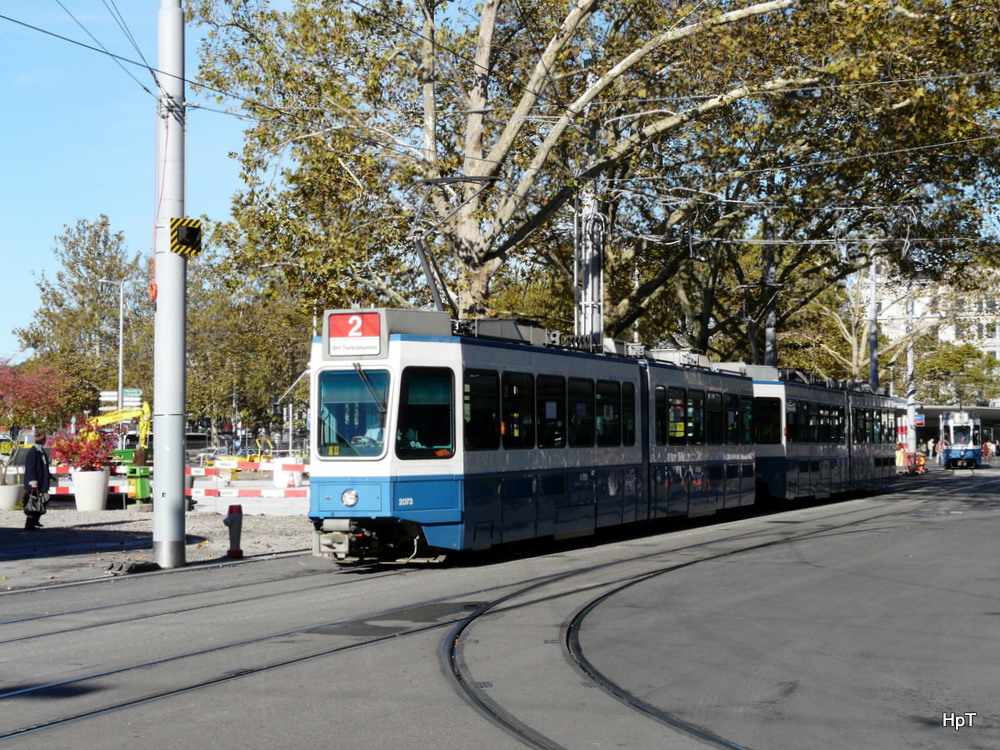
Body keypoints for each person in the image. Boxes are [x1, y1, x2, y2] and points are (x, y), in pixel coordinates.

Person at [23, 431, 51, 530]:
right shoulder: (33, 451)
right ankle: (30, 523)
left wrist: (49, 475)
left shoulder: (40, 451)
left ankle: (35, 520)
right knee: (33, 502)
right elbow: (30, 467)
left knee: (42, 500)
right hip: (34, 482)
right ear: (43, 440)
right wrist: (33, 481)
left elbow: (43, 466)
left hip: (41, 481)